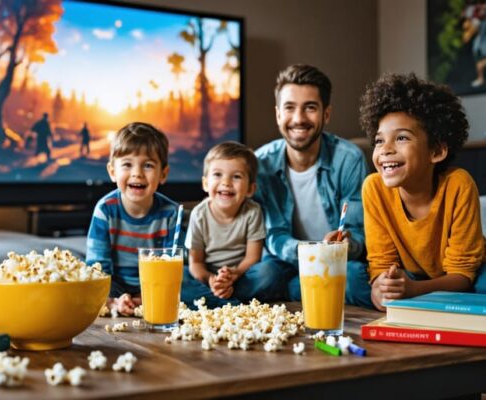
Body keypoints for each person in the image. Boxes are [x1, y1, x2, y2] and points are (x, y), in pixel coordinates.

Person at [359, 73, 486, 311]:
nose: (385, 150)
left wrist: (413, 291)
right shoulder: (373, 188)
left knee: (482, 286)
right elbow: (381, 264)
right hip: (412, 276)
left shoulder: (459, 184)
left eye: (402, 138)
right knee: (353, 281)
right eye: (379, 141)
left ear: (436, 151)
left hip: (465, 277)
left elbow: (462, 275)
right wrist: (381, 287)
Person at [254, 64, 373, 307]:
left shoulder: (348, 159)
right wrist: (313, 252)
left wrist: (347, 244)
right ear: (278, 114)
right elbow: (274, 235)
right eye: (289, 108)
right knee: (264, 276)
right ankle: (306, 288)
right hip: (283, 263)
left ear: (326, 114)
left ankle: (297, 290)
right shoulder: (261, 163)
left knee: (353, 279)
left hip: (336, 263)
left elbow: (359, 233)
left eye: (310, 108)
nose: (299, 119)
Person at [86, 122, 184, 316]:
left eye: (147, 165)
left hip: (157, 283)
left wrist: (148, 293)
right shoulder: (105, 210)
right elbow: (98, 267)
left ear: (163, 174)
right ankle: (117, 303)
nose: (137, 173)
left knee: (189, 283)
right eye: (127, 164)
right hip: (115, 283)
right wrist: (112, 297)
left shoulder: (172, 213)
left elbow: (173, 265)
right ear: (113, 171)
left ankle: (139, 302)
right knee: (89, 283)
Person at [181, 141, 282, 308]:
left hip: (241, 274)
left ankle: (216, 301)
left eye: (236, 176)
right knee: (179, 276)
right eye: (218, 174)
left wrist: (234, 275)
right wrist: (211, 280)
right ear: (206, 183)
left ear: (250, 189)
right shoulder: (199, 214)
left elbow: (253, 257)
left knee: (271, 271)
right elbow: (196, 263)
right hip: (208, 275)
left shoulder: (252, 212)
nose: (226, 182)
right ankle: (230, 301)